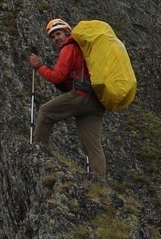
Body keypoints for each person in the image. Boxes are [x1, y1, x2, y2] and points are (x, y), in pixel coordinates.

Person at [27, 18, 106, 178]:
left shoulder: (69, 48)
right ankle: (100, 184)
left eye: (58, 33)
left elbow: (57, 76)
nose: (56, 38)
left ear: (67, 32)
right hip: (96, 102)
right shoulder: (82, 48)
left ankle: (36, 156)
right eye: (52, 36)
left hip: (81, 97)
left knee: (45, 112)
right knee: (93, 147)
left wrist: (38, 66)